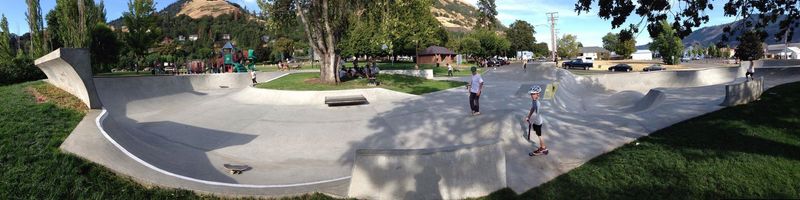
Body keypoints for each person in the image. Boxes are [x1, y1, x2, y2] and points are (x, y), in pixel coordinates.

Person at [525, 86, 549, 156]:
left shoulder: (538, 103)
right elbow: (533, 108)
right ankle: (543, 148)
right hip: (536, 121)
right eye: (531, 94)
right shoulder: (534, 101)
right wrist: (529, 116)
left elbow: (537, 114)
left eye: (533, 94)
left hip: (538, 121)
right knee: (538, 134)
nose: (531, 95)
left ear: (537, 94)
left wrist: (532, 119)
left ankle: (543, 148)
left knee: (539, 135)